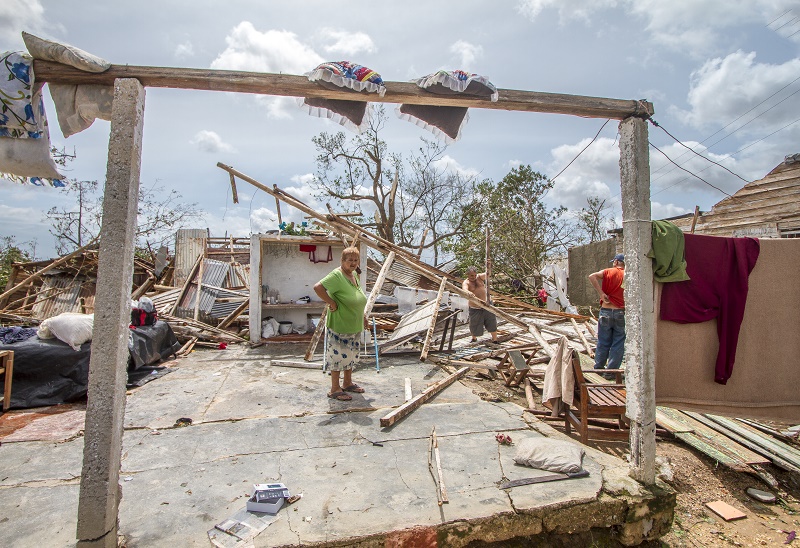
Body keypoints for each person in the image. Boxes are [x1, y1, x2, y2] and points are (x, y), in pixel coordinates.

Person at [313, 246, 369, 401]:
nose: (353, 263)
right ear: (342, 261)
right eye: (349, 260)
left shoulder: (353, 275)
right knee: (337, 357)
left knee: (350, 355)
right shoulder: (337, 275)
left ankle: (348, 383)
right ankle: (335, 389)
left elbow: (357, 298)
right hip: (340, 324)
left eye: (355, 260)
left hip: (353, 323)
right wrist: (331, 302)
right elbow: (318, 287)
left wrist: (363, 316)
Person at [588, 253, 626, 377]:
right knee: (618, 342)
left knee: (603, 341)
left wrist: (601, 293)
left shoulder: (608, 272)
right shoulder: (627, 275)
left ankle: (598, 369)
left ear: (616, 262)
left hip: (606, 311)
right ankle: (611, 372)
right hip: (620, 311)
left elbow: (592, 276)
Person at [462, 265, 498, 344]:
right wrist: (469, 293)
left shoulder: (479, 277)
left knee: (491, 322)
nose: (473, 277)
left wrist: (489, 265)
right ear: (467, 274)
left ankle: (495, 339)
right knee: (474, 324)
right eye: (471, 275)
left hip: (487, 305)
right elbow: (464, 289)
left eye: (475, 275)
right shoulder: (466, 282)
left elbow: (488, 274)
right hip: (475, 307)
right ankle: (474, 338)